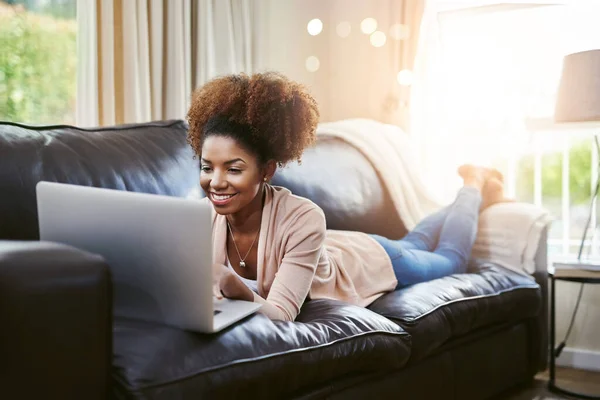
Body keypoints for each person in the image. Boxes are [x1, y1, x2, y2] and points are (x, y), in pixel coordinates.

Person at [186, 72, 509, 322]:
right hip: (339, 246)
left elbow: (282, 314)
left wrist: (231, 283)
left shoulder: (303, 215)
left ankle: (473, 184)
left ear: (267, 171)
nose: (215, 182)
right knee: (418, 240)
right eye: (207, 167)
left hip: (371, 262)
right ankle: (467, 200)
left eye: (233, 169)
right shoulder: (200, 217)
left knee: (448, 258)